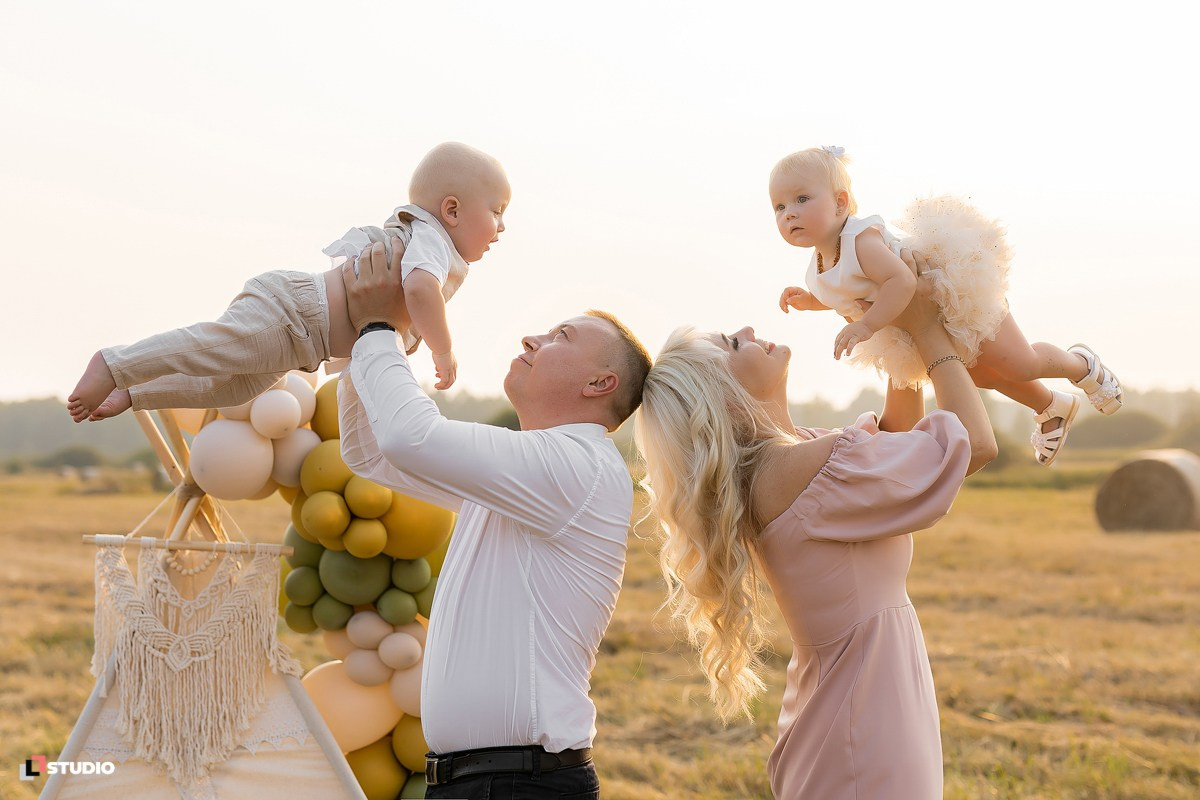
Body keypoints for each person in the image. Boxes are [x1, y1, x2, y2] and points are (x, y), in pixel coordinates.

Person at [635, 254, 997, 799]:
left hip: (856, 698)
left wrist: (896, 336)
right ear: (725, 402)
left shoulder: (788, 459)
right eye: (733, 344)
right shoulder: (794, 470)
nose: (749, 330)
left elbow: (897, 442)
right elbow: (974, 443)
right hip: (862, 714)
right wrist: (926, 329)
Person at [336, 238, 652, 799]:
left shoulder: (576, 464)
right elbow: (370, 450)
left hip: (517, 785)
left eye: (562, 337)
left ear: (600, 384)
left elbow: (410, 436)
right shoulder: (527, 476)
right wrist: (383, 334)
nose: (532, 338)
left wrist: (377, 329)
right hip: (491, 782)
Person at [67, 141, 510, 422]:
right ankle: (114, 364)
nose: (502, 227)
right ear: (451, 210)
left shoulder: (428, 241)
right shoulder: (432, 241)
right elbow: (418, 291)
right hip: (296, 313)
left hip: (302, 342)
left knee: (227, 387)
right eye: (497, 212)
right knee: (214, 348)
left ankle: (134, 393)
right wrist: (443, 350)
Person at [772, 145, 1122, 465]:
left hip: (948, 293)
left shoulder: (859, 240)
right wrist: (811, 301)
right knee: (983, 374)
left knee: (1019, 362)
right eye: (780, 206)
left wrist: (865, 326)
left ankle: (1081, 365)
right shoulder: (817, 268)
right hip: (919, 324)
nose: (790, 214)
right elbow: (848, 293)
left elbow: (901, 281)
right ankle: (1051, 406)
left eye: (802, 199)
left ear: (841, 203)